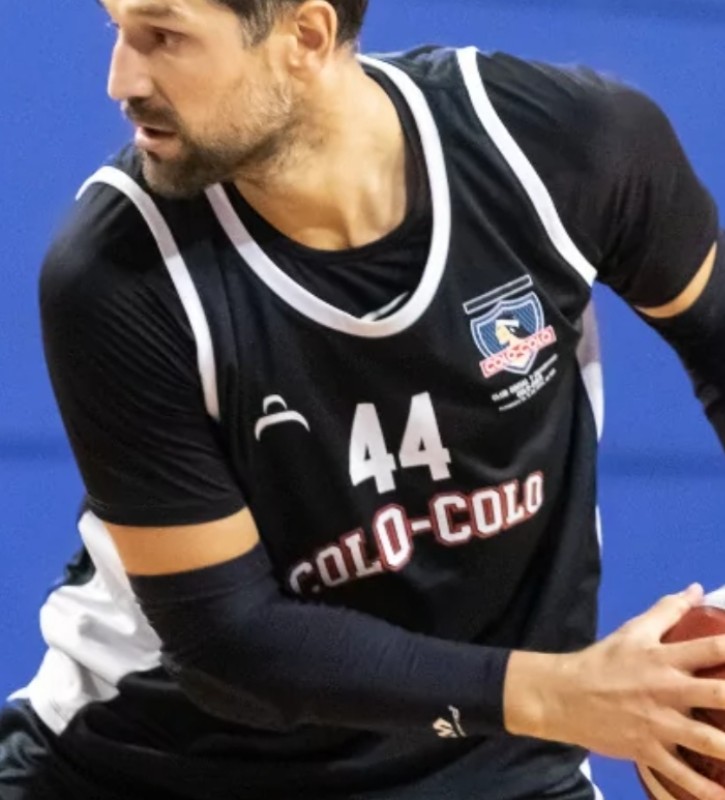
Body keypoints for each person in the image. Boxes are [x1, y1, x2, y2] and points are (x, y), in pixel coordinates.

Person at [3, 0, 725, 797]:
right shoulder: (117, 274)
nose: (121, 80)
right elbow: (229, 643)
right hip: (149, 768)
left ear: (305, 36)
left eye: (163, 36)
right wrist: (559, 694)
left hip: (495, 769)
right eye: (118, 29)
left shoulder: (558, 148)